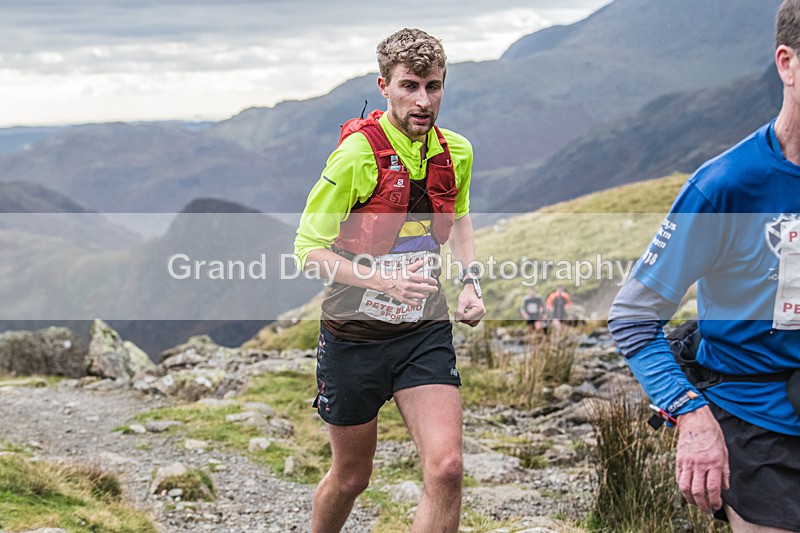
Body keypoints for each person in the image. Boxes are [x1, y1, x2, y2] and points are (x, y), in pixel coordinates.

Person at [608, 2, 800, 530]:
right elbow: (633, 317)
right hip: (759, 426)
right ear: (786, 64)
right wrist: (691, 415)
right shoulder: (725, 187)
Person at [293, 28, 486, 533]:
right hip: (353, 335)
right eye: (410, 86)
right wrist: (382, 282)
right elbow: (307, 251)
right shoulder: (357, 156)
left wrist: (470, 283)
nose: (424, 101)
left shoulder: (457, 152)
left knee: (447, 469)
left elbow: (460, 219)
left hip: (423, 331)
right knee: (352, 476)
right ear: (385, 86)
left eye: (434, 86)